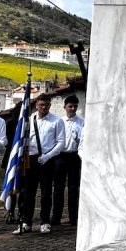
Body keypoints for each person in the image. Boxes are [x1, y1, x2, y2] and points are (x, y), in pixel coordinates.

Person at [18, 94, 66, 234]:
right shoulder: (30, 119)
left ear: (50, 105)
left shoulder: (57, 121)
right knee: (28, 192)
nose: (43, 107)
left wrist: (48, 156)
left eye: (46, 104)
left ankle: (45, 221)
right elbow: (23, 138)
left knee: (46, 193)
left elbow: (61, 142)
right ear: (36, 105)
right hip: (30, 160)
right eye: (41, 105)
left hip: (48, 160)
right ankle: (27, 221)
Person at [52, 94, 84, 225]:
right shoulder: (59, 122)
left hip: (74, 156)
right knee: (58, 187)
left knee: (73, 188)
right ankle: (56, 216)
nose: (73, 109)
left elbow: (83, 140)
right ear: (64, 107)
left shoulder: (82, 122)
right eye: (70, 106)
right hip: (60, 156)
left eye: (75, 106)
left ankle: (73, 217)